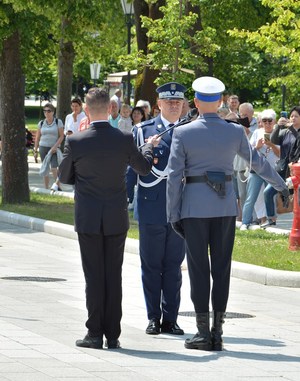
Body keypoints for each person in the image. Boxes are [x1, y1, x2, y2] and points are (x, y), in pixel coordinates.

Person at [166, 76, 289, 351]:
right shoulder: (235, 132)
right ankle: (217, 332)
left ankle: (202, 333)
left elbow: (174, 178)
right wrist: (281, 184)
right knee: (222, 269)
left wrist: (172, 214)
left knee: (199, 270)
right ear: (220, 101)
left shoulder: (183, 133)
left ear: (195, 102)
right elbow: (257, 163)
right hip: (224, 208)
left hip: (193, 209)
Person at [58, 87, 160, 350]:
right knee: (113, 275)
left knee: (93, 276)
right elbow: (144, 168)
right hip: (115, 217)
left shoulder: (77, 141)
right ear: (110, 109)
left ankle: (94, 333)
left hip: (89, 218)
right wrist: (148, 148)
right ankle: (113, 334)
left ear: (88, 110)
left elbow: (65, 177)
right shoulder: (125, 138)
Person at [126, 82, 187, 336]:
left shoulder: (189, 131)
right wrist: (125, 200)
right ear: (159, 104)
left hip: (180, 209)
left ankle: (170, 319)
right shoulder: (142, 131)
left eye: (178, 102)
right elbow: (131, 168)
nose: (174, 105)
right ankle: (153, 317)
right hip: (151, 207)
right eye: (168, 101)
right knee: (151, 265)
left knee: (174, 266)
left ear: (183, 104)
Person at [240, 109, 280, 230]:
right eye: (264, 120)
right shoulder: (257, 132)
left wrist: (272, 145)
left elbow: (280, 155)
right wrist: (258, 146)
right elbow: (249, 152)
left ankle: (271, 220)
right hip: (257, 170)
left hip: (271, 170)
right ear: (261, 122)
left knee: (269, 195)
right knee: (251, 197)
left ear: (274, 122)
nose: (267, 123)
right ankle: (245, 222)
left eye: (270, 121)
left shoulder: (279, 134)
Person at [261, 106, 300, 227]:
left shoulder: (295, 132)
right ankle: (271, 219)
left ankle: (296, 224)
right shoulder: (286, 131)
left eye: (296, 116)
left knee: (296, 198)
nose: (293, 118)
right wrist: (278, 126)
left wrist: (291, 128)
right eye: (291, 116)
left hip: (296, 170)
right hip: (283, 169)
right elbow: (273, 140)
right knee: (268, 192)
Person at [34, 103, 64, 189]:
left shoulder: (58, 122)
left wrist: (55, 146)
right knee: (45, 168)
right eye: (45, 111)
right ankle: (46, 188)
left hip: (53, 148)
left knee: (54, 167)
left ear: (53, 112)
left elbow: (61, 136)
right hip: (43, 147)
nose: (46, 113)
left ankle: (57, 186)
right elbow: (37, 137)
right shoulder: (41, 123)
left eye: (49, 111)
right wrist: (35, 150)